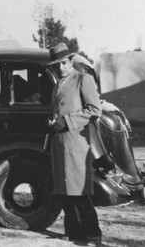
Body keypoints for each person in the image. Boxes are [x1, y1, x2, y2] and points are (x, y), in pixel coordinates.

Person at [46, 43, 103, 246]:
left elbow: (94, 109)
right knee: (64, 190)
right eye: (56, 65)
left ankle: (93, 233)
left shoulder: (82, 79)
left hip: (76, 144)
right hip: (60, 143)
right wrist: (53, 122)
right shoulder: (57, 84)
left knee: (79, 190)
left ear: (71, 61)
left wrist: (67, 121)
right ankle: (74, 232)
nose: (60, 67)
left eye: (63, 62)